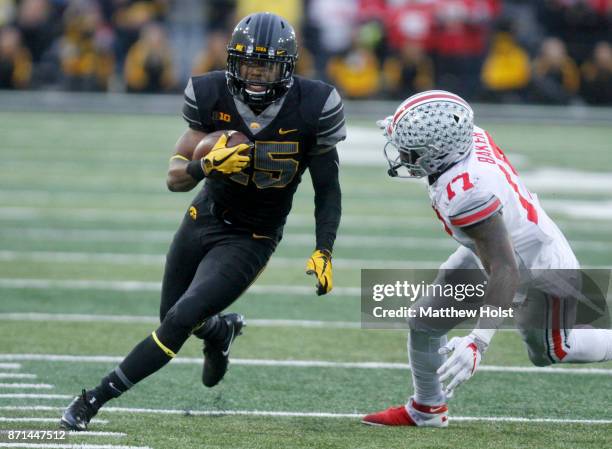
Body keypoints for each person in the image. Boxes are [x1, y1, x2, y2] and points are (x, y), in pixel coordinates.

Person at [60, 12, 345, 431]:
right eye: (247, 64)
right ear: (232, 61)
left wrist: (324, 249)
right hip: (204, 215)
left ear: (286, 67)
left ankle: (93, 400)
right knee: (172, 316)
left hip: (253, 235)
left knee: (178, 320)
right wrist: (205, 166)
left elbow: (328, 188)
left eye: (265, 66)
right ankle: (218, 331)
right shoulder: (211, 92)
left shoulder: (315, 105)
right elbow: (175, 178)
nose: (255, 76)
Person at [362, 90, 612, 427]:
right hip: (495, 245)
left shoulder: (467, 193)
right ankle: (427, 409)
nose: (403, 154)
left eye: (411, 147)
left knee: (552, 351)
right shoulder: (467, 135)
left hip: (537, 266)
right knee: (425, 320)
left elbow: (505, 268)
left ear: (439, 151)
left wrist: (479, 341)